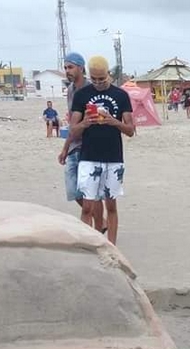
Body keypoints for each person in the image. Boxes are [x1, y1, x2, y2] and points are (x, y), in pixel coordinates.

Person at [70, 55, 135, 245]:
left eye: (102, 79)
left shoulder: (121, 95)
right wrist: (85, 122)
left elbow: (130, 130)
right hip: (89, 156)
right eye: (94, 79)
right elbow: (73, 131)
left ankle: (112, 247)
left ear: (109, 75)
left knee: (111, 205)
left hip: (113, 157)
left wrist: (113, 121)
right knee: (87, 207)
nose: (98, 83)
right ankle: (88, 245)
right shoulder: (82, 95)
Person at [59, 52, 105, 234]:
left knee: (92, 192)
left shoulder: (91, 87)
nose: (67, 71)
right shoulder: (71, 90)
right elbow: (72, 122)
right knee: (74, 191)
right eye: (65, 67)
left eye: (70, 67)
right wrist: (64, 148)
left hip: (90, 146)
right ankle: (100, 221)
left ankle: (98, 229)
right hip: (73, 144)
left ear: (80, 67)